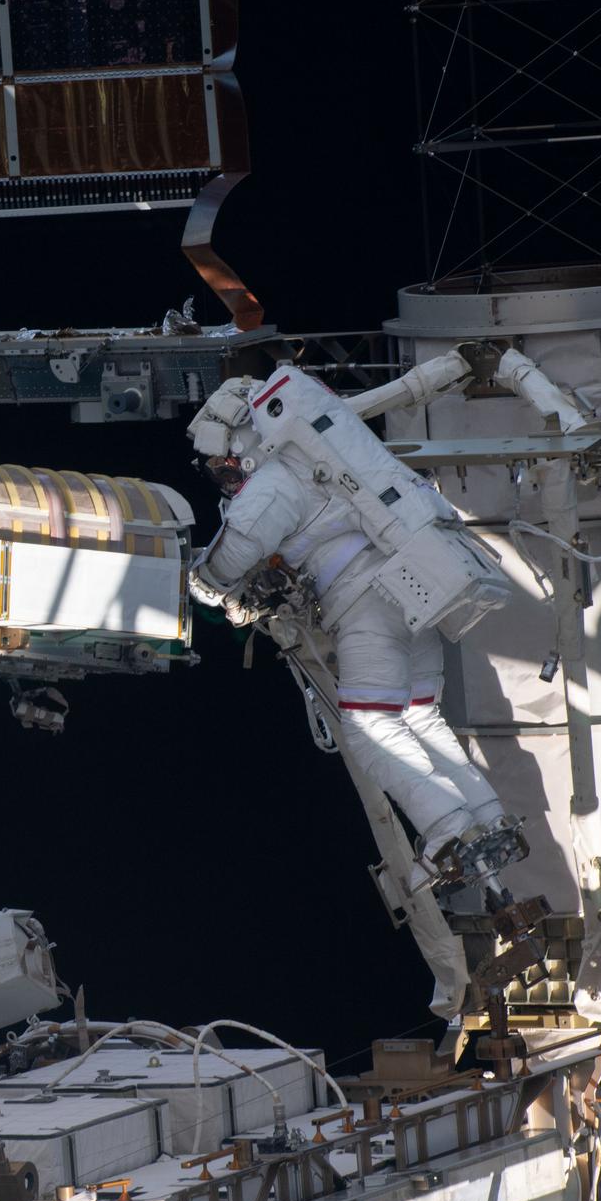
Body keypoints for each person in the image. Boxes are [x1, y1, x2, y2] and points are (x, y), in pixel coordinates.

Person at [186, 373, 510, 888]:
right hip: (412, 586)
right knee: (420, 718)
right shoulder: (329, 453)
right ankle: (489, 819)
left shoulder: (277, 479)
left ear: (244, 443)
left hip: (366, 605)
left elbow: (233, 554)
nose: (226, 477)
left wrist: (200, 584)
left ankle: (448, 830)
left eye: (226, 464)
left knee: (370, 727)